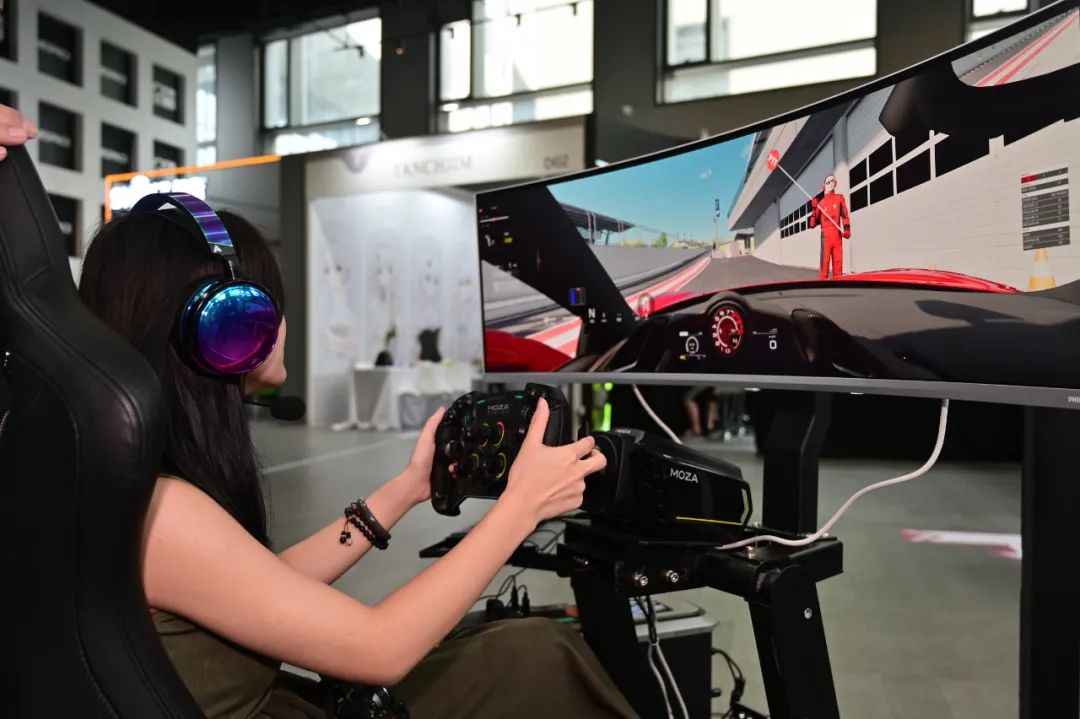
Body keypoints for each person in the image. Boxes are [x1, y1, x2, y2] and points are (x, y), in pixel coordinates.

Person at [0, 104, 637, 719]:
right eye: (270, 303)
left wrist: (405, 491)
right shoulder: (166, 511)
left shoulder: (125, 483)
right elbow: (382, 647)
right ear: (230, 328)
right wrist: (520, 507)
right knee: (539, 654)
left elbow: (256, 585)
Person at [808, 173, 851, 280]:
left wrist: (847, 229)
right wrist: (814, 208)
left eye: (833, 181)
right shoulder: (820, 203)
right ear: (824, 186)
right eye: (828, 182)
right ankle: (823, 286)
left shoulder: (839, 198)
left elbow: (845, 215)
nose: (831, 183)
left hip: (837, 236)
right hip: (825, 237)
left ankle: (838, 285)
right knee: (824, 264)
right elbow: (812, 224)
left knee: (838, 265)